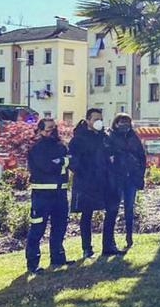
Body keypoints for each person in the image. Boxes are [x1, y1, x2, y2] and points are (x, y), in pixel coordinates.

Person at [69, 108, 123, 258]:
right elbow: (72, 161)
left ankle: (108, 245)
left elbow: (112, 152)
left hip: (106, 180)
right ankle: (87, 248)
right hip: (87, 182)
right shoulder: (78, 139)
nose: (99, 122)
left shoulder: (104, 137)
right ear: (88, 120)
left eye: (100, 118)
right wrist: (85, 173)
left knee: (112, 210)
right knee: (87, 214)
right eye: (95, 119)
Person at [25, 118, 72, 273]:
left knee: (60, 227)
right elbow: (46, 167)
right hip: (42, 196)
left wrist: (60, 161)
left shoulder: (61, 146)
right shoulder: (36, 148)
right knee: (37, 229)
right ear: (39, 131)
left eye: (53, 128)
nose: (51, 132)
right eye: (47, 129)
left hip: (60, 194)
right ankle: (33, 264)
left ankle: (58, 258)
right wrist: (62, 162)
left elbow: (70, 162)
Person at [105, 113, 146, 249]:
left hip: (131, 178)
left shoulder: (133, 137)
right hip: (116, 178)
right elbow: (108, 157)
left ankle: (129, 236)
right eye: (121, 122)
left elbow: (141, 157)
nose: (125, 126)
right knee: (113, 209)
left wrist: (139, 175)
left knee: (129, 209)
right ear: (116, 123)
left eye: (127, 123)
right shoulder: (110, 137)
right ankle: (110, 241)